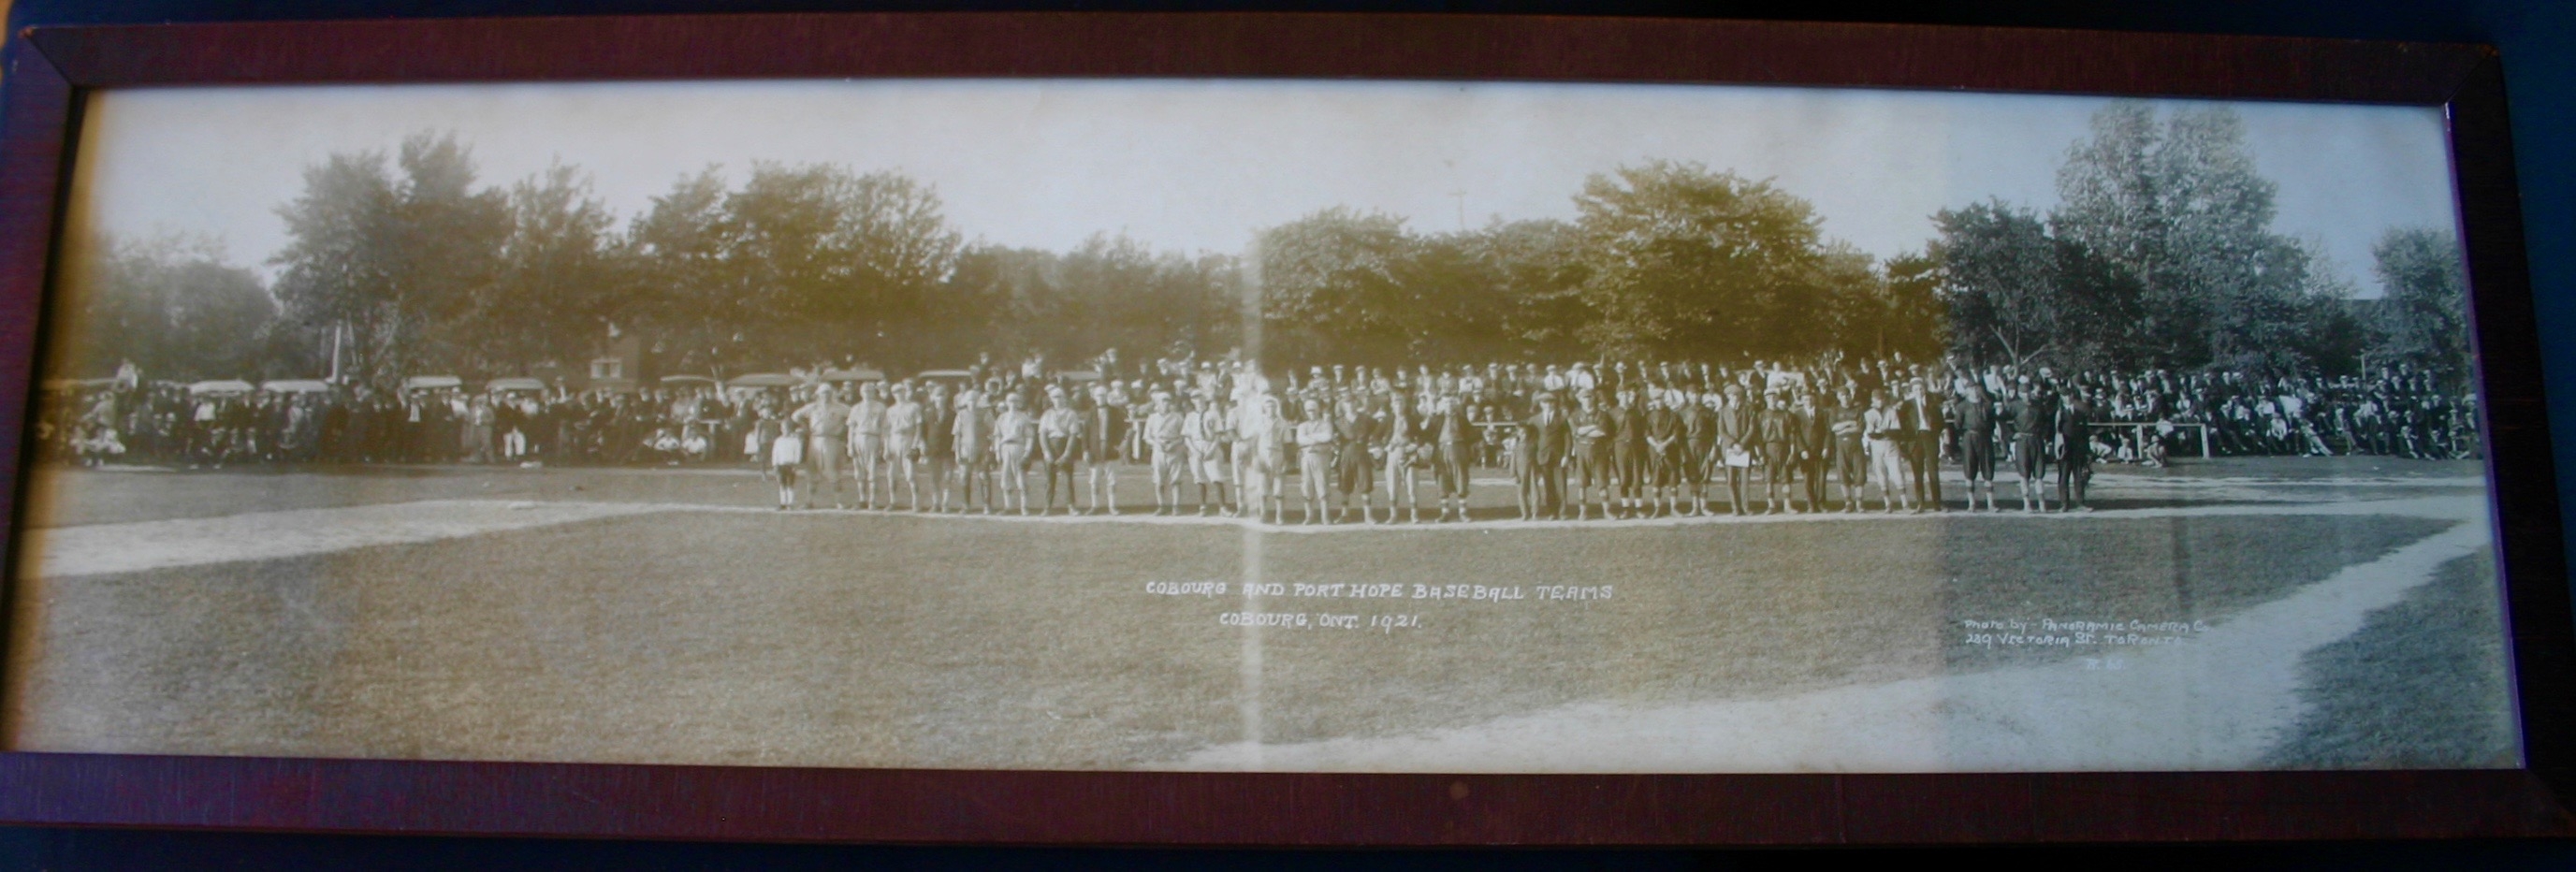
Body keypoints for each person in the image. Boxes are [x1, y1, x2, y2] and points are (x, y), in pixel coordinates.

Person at [791, 385, 851, 509]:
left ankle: (840, 501)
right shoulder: (813, 407)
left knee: (832, 470)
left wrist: (844, 429)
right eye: (823, 394)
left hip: (832, 440)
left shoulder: (840, 408)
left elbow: (853, 417)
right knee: (812, 470)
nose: (826, 396)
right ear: (818, 395)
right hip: (815, 439)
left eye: (828, 393)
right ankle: (809, 501)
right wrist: (805, 427)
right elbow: (795, 415)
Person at [1523, 392, 1570, 519]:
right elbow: (1530, 439)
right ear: (1540, 404)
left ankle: (1563, 512)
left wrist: (1566, 455)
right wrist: (1531, 457)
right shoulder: (1534, 420)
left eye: (1550, 402)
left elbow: (1568, 439)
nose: (1548, 405)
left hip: (1559, 456)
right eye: (1545, 402)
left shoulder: (1561, 419)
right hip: (1542, 456)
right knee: (1548, 486)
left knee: (1561, 485)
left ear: (1554, 404)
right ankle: (1552, 512)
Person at [1568, 390, 1614, 520]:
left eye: (1589, 397)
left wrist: (1585, 430)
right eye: (1584, 397)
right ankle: (1583, 511)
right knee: (1582, 483)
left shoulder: (1603, 414)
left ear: (1594, 399)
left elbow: (1602, 432)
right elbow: (1576, 431)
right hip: (1581, 450)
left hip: (1599, 450)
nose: (1587, 400)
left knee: (1602, 481)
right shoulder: (1575, 415)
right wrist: (1593, 426)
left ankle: (1607, 511)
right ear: (1580, 399)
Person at [1332, 397, 1379, 523]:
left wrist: (1373, 446)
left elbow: (1378, 432)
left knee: (1365, 484)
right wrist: (1336, 448)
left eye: (1352, 402)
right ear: (1343, 405)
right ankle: (1344, 514)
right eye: (1347, 402)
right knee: (1345, 485)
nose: (1350, 405)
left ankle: (1368, 515)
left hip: (1362, 454)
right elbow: (1332, 438)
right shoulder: (1338, 421)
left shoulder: (1367, 419)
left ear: (1356, 403)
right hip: (1346, 454)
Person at [1864, 389, 1912, 513]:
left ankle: (1905, 504)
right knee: (1881, 474)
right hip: (1877, 446)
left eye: (1882, 399)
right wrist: (1884, 431)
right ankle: (1888, 503)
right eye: (1877, 399)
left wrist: (1883, 431)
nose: (1880, 401)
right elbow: (1871, 434)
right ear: (1872, 400)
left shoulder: (1891, 411)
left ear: (1885, 399)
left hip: (1891, 445)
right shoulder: (1869, 413)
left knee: (1897, 473)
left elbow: (1896, 431)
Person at [2007, 384, 2053, 513]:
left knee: (2039, 473)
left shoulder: (2038, 405)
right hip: (2022, 441)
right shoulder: (2014, 406)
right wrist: (2011, 435)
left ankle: (2042, 503)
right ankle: (2027, 503)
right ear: (2019, 394)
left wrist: (2044, 435)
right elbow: (2002, 420)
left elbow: (2047, 421)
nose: (2026, 395)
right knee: (2024, 472)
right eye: (2023, 392)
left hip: (2036, 440)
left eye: (2028, 392)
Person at [1955, 382, 1999, 512]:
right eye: (1970, 389)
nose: (1974, 391)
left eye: (1976, 388)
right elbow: (1958, 424)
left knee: (1988, 468)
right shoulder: (1962, 406)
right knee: (1969, 469)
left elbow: (1992, 424)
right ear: (1966, 391)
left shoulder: (1987, 405)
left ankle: (1990, 503)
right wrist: (1966, 435)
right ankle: (1971, 503)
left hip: (1985, 438)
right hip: (1969, 438)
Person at [1038, 386, 1083, 515]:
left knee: (1067, 478)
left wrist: (1067, 453)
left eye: (1060, 397)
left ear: (1065, 398)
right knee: (1049, 479)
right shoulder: (1047, 415)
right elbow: (1042, 434)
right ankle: (1047, 506)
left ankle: (1071, 506)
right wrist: (1046, 452)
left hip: (1065, 443)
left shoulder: (1071, 413)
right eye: (1055, 397)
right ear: (1051, 399)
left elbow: (1073, 434)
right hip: (1051, 445)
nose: (1058, 400)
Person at [1186, 391, 1231, 516]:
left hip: (1210, 444)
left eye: (1200, 398)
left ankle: (1223, 507)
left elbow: (1218, 434)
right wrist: (1194, 450)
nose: (1198, 401)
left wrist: (1211, 450)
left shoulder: (1213, 414)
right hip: (1196, 446)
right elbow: (1186, 437)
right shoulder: (1190, 416)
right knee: (1199, 478)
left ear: (1204, 399)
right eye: (1195, 398)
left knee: (1217, 477)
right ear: (1192, 401)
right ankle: (1203, 507)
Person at [1432, 394, 1477, 522]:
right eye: (1446, 402)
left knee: (1461, 478)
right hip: (1441, 449)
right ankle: (1445, 513)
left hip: (1458, 448)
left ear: (1455, 404)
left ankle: (1463, 513)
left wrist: (1466, 448)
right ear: (1442, 405)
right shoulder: (1436, 419)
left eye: (1452, 403)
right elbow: (1428, 435)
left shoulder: (1462, 419)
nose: (1449, 405)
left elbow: (1472, 434)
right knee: (1442, 479)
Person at [1083, 384, 1125, 516]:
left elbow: (1122, 430)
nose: (1101, 398)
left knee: (1112, 480)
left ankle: (1112, 506)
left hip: (1110, 449)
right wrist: (1085, 450)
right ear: (1094, 397)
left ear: (1107, 396)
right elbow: (1085, 433)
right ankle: (1095, 506)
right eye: (1098, 395)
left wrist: (1118, 445)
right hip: (1095, 450)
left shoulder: (1115, 412)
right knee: (1094, 480)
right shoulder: (1090, 413)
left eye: (1103, 395)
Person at [1144, 390, 1188, 516]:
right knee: (1158, 480)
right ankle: (1161, 505)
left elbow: (1184, 435)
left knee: (1176, 479)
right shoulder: (1152, 418)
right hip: (1159, 449)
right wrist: (1156, 444)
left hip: (1175, 448)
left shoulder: (1177, 416)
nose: (1165, 404)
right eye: (1163, 401)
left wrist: (1174, 444)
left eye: (1168, 401)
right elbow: (1147, 437)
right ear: (1157, 403)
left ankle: (1176, 506)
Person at [1382, 389, 1423, 523]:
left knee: (1412, 484)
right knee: (1392, 485)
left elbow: (1421, 437)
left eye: (1401, 404)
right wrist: (1385, 446)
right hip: (1393, 452)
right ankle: (1393, 515)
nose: (1398, 407)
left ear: (1405, 405)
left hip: (1409, 453)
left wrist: (1415, 445)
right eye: (1396, 404)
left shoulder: (1412, 419)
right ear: (1392, 406)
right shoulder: (1388, 419)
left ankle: (1414, 514)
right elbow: (1376, 436)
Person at [883, 383, 925, 512]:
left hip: (908, 438)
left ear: (905, 391)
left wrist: (915, 445)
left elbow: (919, 428)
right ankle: (893, 501)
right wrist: (886, 447)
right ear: (893, 394)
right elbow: (887, 430)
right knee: (892, 474)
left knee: (911, 474)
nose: (898, 394)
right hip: (894, 440)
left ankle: (916, 502)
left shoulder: (914, 407)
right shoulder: (890, 410)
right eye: (895, 391)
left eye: (901, 391)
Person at [1715, 385, 1757, 516]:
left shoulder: (1749, 409)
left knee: (1744, 480)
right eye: (1732, 395)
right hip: (1729, 449)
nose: (1735, 398)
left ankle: (1745, 507)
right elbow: (1721, 431)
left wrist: (1742, 443)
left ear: (1741, 396)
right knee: (1731, 480)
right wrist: (1733, 444)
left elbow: (1752, 429)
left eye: (1737, 395)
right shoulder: (1722, 411)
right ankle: (1735, 508)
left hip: (1744, 448)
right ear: (1727, 396)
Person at [995, 391, 1038, 515]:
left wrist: (1027, 452)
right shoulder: (1002, 417)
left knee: (1021, 477)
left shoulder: (1023, 417)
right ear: (1006, 403)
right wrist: (997, 452)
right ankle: (1008, 507)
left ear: (1019, 403)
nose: (1012, 404)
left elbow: (1029, 436)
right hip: (1005, 447)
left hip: (1018, 447)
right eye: (1010, 401)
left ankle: (1024, 507)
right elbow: (997, 436)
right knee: (1005, 478)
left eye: (1015, 401)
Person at [848, 382, 890, 510]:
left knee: (872, 470)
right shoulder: (856, 408)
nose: (867, 393)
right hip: (858, 437)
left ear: (874, 392)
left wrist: (883, 445)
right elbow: (851, 427)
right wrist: (850, 445)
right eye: (865, 391)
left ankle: (873, 500)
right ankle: (862, 499)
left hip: (873, 437)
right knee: (859, 471)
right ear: (861, 393)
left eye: (870, 391)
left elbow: (884, 428)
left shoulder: (880, 407)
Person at [953, 387, 996, 514]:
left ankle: (987, 505)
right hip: (965, 448)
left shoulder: (986, 413)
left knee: (984, 476)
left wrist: (992, 447)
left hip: (982, 448)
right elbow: (957, 434)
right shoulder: (961, 414)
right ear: (966, 401)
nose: (972, 402)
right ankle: (966, 505)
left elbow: (994, 431)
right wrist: (957, 452)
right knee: (964, 477)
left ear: (978, 400)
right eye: (969, 400)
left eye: (974, 399)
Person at [1295, 398, 1336, 524]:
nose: (1311, 413)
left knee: (1322, 484)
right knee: (1307, 485)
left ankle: (1325, 516)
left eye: (1313, 410)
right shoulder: (1302, 426)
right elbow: (1300, 440)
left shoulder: (1326, 424)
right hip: (1306, 457)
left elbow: (1327, 437)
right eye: (1308, 411)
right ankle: (1309, 516)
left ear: (1318, 410)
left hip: (1321, 457)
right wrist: (1316, 440)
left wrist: (1310, 439)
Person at [1609, 386, 1648, 519]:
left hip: (1636, 447)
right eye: (1621, 394)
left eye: (1626, 394)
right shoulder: (1612, 412)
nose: (1624, 397)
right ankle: (1625, 509)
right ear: (1617, 396)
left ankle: (1639, 508)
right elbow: (1609, 433)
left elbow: (1644, 431)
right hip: (1619, 447)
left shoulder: (1637, 412)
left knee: (1637, 478)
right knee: (1623, 478)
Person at [1757, 392, 1798, 514]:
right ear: (1765, 399)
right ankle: (1771, 505)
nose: (1772, 400)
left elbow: (1792, 435)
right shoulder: (1761, 415)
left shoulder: (1786, 415)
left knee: (1786, 479)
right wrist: (1760, 454)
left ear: (1778, 398)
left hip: (1783, 448)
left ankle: (1787, 505)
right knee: (1769, 479)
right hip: (1768, 448)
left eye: (1774, 397)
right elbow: (1758, 437)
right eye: (1769, 398)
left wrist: (1792, 452)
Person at [2056, 388, 2095, 511]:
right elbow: (2056, 433)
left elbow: (2084, 434)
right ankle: (2064, 504)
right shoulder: (2059, 414)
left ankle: (2080, 503)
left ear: (2072, 396)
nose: (2067, 398)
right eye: (2064, 396)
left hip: (2078, 449)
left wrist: (2087, 451)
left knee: (2079, 476)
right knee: (2064, 477)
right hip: (2065, 450)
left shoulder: (2079, 414)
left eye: (2068, 395)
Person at [922, 383, 957, 513]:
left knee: (948, 477)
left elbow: (956, 433)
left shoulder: (953, 414)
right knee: (934, 478)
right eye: (938, 395)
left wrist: (955, 448)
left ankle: (945, 504)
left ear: (947, 396)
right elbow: (922, 432)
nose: (940, 398)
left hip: (948, 450)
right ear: (933, 397)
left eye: (943, 395)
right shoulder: (927, 412)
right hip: (933, 449)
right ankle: (935, 503)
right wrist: (923, 445)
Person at [770, 419, 806, 510]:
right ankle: (783, 503)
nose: (786, 431)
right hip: (780, 464)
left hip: (790, 465)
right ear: (781, 429)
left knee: (790, 484)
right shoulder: (779, 440)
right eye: (784, 429)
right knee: (782, 484)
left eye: (788, 429)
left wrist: (796, 464)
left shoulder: (795, 441)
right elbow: (775, 453)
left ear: (791, 430)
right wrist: (775, 464)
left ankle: (790, 503)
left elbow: (798, 453)